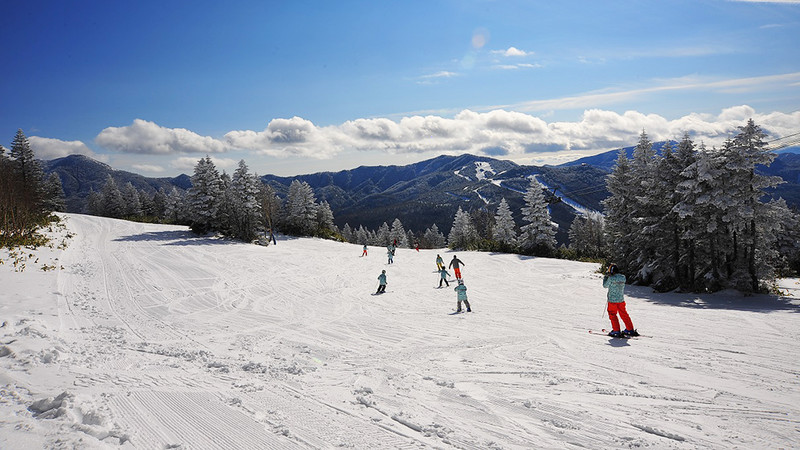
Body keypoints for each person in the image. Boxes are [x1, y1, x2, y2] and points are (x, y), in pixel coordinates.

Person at [602, 264, 638, 337]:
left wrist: (605, 277)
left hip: (612, 300)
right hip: (621, 300)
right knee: (624, 314)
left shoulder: (611, 278)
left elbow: (605, 285)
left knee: (612, 314)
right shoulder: (623, 277)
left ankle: (616, 331)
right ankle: (630, 329)